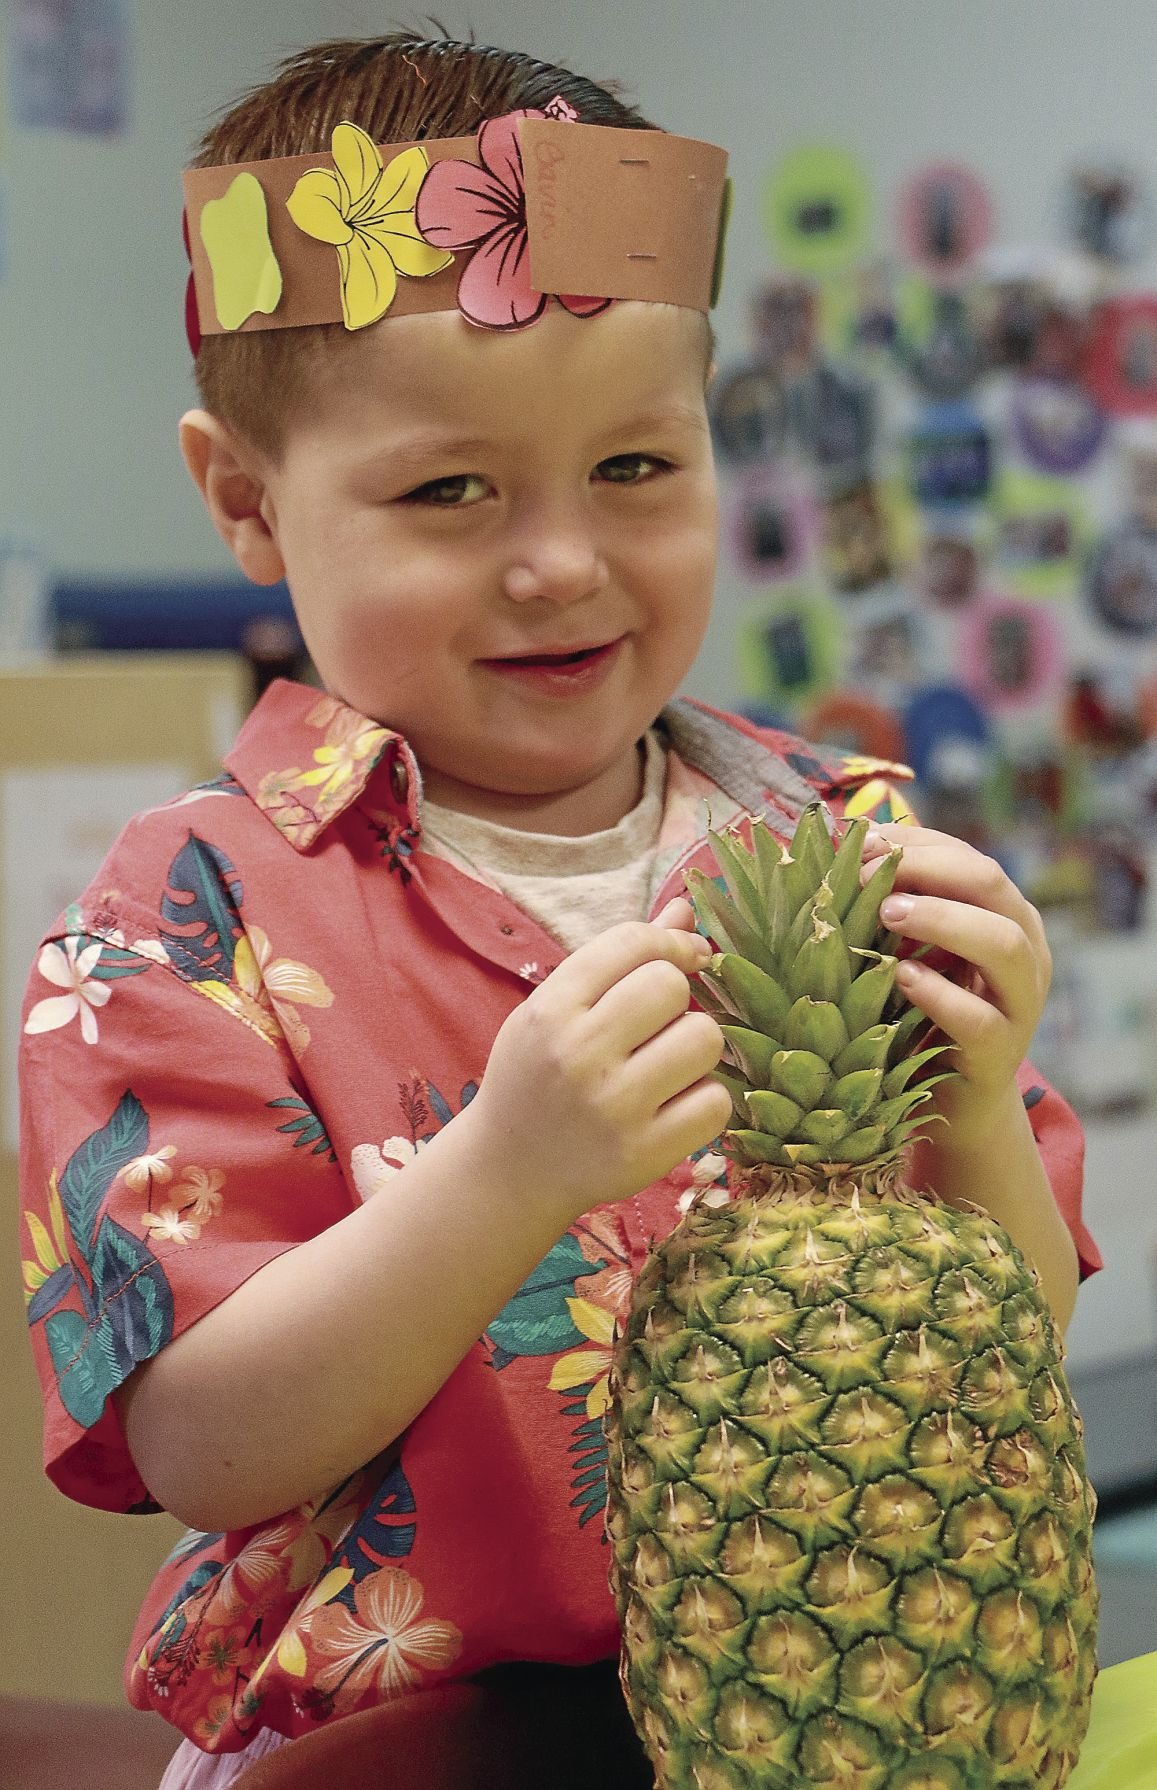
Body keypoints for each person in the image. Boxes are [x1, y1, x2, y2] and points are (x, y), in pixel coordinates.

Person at [17, 32, 1101, 1789]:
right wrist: (506, 1168)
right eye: (448, 490)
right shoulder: (185, 910)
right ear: (243, 499)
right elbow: (202, 1444)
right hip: (391, 1754)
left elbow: (1001, 1340)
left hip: (841, 1718)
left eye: (636, 470)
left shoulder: (840, 840)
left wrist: (973, 1104)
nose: (559, 561)